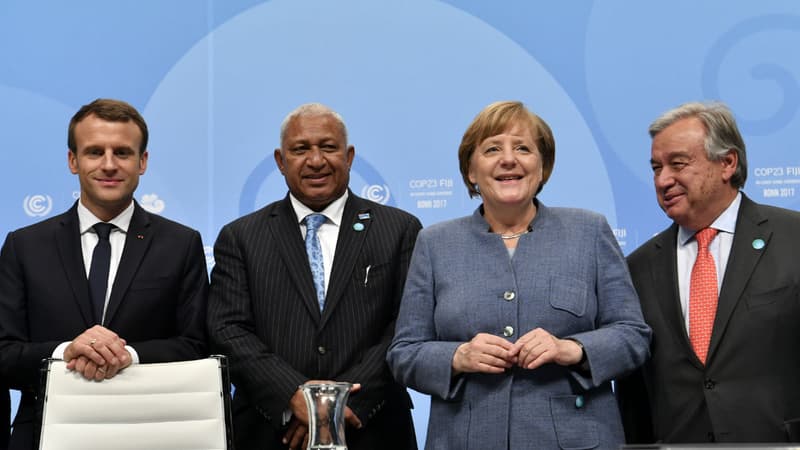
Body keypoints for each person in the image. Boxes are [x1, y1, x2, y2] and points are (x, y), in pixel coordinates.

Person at [386, 100, 651, 449]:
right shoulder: (435, 243)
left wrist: (571, 348)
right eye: (492, 148)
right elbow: (404, 353)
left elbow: (633, 336)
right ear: (470, 171)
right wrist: (458, 356)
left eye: (523, 148)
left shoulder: (589, 231)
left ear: (542, 167)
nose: (508, 159)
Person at [207, 103, 421, 450]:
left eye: (328, 147)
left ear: (349, 156)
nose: (316, 160)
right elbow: (227, 329)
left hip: (373, 427)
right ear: (280, 161)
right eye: (301, 149)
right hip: (270, 430)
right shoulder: (241, 237)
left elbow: (408, 325)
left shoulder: (399, 229)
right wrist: (295, 397)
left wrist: (336, 407)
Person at [0, 98, 208, 450]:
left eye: (123, 153)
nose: (109, 165)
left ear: (142, 162)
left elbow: (197, 345)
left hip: (153, 434)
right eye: (95, 152)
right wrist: (66, 351)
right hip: (44, 435)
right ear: (73, 160)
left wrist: (127, 356)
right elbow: (4, 353)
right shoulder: (24, 246)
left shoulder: (181, 243)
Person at [616, 101, 800, 443]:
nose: (663, 180)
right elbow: (633, 394)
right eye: (656, 168)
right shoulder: (637, 267)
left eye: (678, 164)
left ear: (727, 163)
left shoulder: (793, 239)